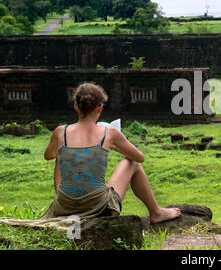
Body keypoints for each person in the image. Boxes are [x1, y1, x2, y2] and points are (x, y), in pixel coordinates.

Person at [43, 82, 181, 223]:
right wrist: (115, 146)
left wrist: (74, 151)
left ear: (76, 106)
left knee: (60, 155)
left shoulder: (60, 132)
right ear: (100, 108)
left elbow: (48, 155)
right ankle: (156, 212)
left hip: (64, 207)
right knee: (132, 163)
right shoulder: (110, 133)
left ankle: (69, 201)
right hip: (99, 208)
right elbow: (139, 157)